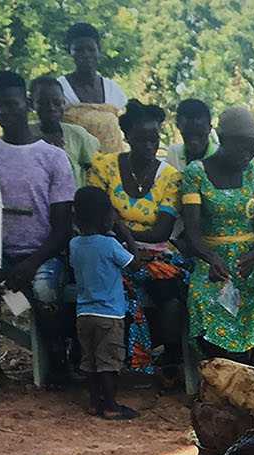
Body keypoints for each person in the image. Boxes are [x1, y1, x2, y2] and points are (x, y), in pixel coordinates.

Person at [0, 70, 78, 392]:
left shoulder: (53, 157)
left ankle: (58, 364)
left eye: (11, 104)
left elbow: (62, 227)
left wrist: (31, 263)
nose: (4, 112)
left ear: (28, 103)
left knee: (46, 291)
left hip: (41, 255)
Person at [86, 100, 189, 388]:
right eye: (141, 138)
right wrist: (123, 237)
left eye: (154, 138)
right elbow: (93, 217)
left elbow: (160, 232)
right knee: (116, 286)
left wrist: (120, 228)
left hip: (157, 256)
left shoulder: (170, 177)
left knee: (169, 289)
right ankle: (115, 364)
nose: (148, 145)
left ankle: (170, 356)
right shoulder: (103, 167)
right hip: (110, 253)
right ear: (127, 136)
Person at [182, 106, 254, 368]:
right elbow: (193, 233)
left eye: (252, 147)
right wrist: (211, 259)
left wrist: (253, 258)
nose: (247, 153)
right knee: (204, 297)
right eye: (241, 146)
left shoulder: (253, 173)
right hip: (212, 259)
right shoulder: (196, 173)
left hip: (251, 257)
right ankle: (225, 370)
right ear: (222, 140)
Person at [68, 184, 137, 419]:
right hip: (110, 314)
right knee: (109, 362)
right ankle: (110, 405)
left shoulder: (74, 244)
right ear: (106, 217)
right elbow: (134, 263)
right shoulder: (110, 245)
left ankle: (93, 402)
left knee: (90, 361)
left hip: (83, 313)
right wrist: (125, 232)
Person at [59, 21, 127, 151]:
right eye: (79, 50)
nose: (85, 55)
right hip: (74, 163)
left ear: (98, 50)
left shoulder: (113, 90)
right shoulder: (60, 88)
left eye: (91, 49)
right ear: (70, 52)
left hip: (110, 165)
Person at [31, 76, 101, 186]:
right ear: (32, 104)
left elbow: (96, 168)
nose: (51, 108)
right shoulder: (27, 136)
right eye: (43, 103)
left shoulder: (77, 135)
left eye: (57, 102)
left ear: (64, 102)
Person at [166, 98, 218, 168]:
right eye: (188, 134)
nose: (194, 142)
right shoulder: (173, 154)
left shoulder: (219, 156)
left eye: (200, 134)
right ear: (179, 127)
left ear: (209, 128)